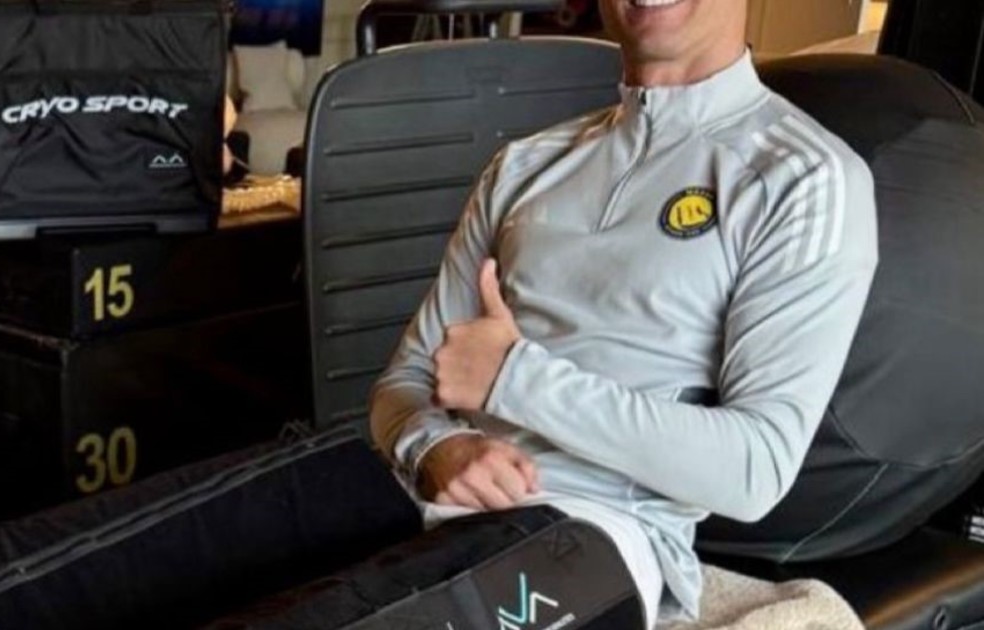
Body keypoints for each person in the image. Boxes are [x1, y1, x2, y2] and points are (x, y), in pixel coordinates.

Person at [368, 0, 879, 626]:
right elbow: (404, 382)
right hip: (421, 500)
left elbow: (756, 468)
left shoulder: (805, 177)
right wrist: (438, 446)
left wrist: (515, 378)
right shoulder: (525, 163)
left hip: (592, 533)